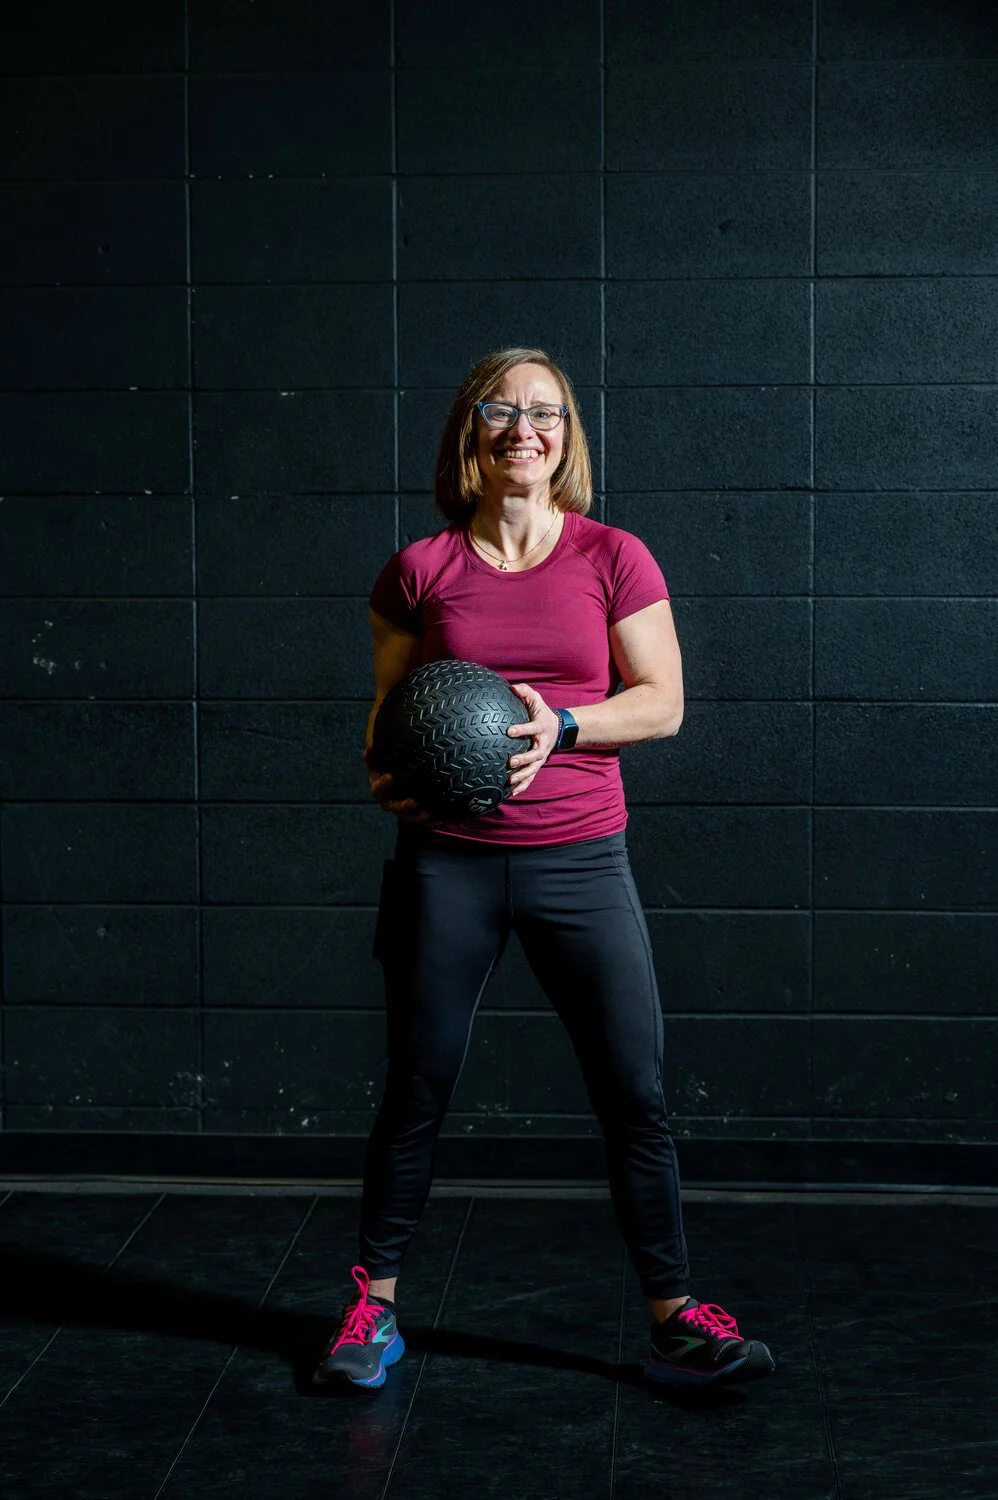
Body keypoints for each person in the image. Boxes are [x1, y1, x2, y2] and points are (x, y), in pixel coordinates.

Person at [313, 347, 775, 1392]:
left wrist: (563, 723)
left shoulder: (612, 557)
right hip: (449, 865)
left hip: (580, 861)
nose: (523, 428)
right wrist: (383, 773)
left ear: (566, 436)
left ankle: (672, 1316)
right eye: (499, 410)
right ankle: (369, 1313)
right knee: (417, 1087)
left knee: (633, 1092)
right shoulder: (418, 570)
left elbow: (658, 701)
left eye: (545, 413)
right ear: (468, 432)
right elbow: (389, 713)